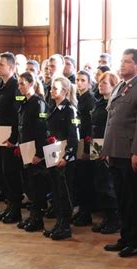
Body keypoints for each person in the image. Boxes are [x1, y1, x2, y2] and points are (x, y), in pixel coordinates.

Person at [102, 48, 137, 258]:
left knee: (135, 200)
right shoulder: (119, 88)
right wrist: (106, 149)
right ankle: (125, 237)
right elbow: (111, 122)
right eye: (121, 61)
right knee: (122, 199)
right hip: (115, 152)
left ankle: (136, 241)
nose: (122, 65)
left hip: (130, 154)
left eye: (127, 62)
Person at [43, 76, 79, 240]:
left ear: (65, 91)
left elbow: (74, 136)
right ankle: (58, 222)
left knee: (64, 192)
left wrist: (67, 156)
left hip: (64, 156)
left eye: (55, 88)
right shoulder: (52, 107)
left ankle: (65, 225)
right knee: (56, 191)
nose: (51, 91)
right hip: (53, 152)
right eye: (51, 88)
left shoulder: (69, 109)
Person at [0, 52, 24, 224]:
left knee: (11, 173)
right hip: (0, 134)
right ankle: (9, 206)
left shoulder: (15, 87)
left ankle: (16, 209)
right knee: (2, 173)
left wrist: (13, 138)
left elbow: (17, 115)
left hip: (10, 137)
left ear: (11, 67)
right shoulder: (0, 86)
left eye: (1, 64)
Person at [16, 71, 49, 232]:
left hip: (35, 150)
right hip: (25, 147)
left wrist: (40, 154)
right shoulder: (25, 102)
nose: (19, 87)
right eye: (19, 84)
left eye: (22, 83)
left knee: (37, 186)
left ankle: (38, 219)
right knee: (28, 184)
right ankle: (33, 216)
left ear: (31, 84)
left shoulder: (38, 103)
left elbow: (42, 131)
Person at [90, 71, 120, 234]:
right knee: (99, 181)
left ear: (114, 86)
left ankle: (114, 219)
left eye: (105, 83)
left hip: (107, 145)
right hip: (96, 144)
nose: (100, 85)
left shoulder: (115, 104)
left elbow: (112, 128)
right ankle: (106, 217)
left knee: (108, 183)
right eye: (100, 82)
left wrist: (107, 149)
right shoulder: (99, 103)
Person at [72, 70, 96, 226]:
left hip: (86, 143)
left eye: (83, 80)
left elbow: (90, 127)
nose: (79, 83)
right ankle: (81, 210)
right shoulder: (77, 98)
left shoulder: (90, 100)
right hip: (78, 140)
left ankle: (86, 213)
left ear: (89, 83)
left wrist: (87, 149)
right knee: (79, 179)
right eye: (78, 80)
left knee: (86, 180)